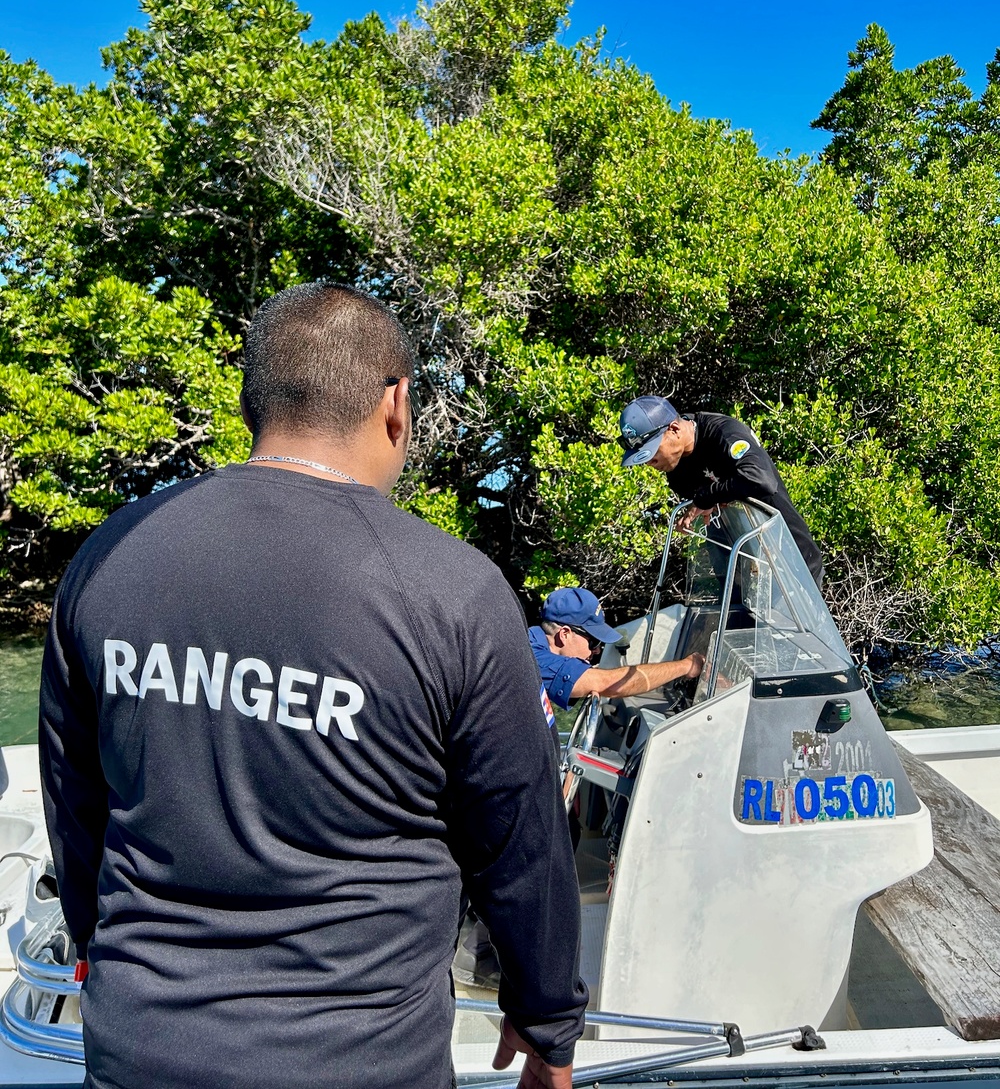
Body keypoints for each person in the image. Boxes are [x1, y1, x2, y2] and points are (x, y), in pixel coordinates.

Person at [39, 282, 587, 1089]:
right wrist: (547, 1024)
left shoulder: (110, 555)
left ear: (250, 399)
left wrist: (101, 959)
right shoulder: (455, 592)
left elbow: (74, 805)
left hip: (140, 1051)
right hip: (362, 1066)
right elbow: (522, 847)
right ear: (396, 403)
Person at [618, 395, 824, 587]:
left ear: (674, 429)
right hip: (741, 570)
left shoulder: (724, 433)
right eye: (643, 458)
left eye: (652, 452)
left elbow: (761, 480)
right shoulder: (676, 465)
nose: (650, 463)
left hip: (794, 563)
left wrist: (705, 498)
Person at [529, 586, 703, 710]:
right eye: (594, 642)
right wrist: (687, 666)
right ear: (564, 634)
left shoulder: (533, 643)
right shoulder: (533, 660)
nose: (597, 651)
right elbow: (610, 685)